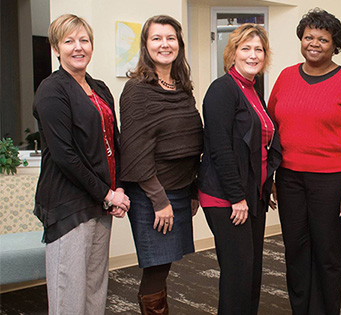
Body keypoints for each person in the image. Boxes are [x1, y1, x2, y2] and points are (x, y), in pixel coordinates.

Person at [268, 8, 341, 315]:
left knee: (327, 255)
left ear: (334, 45)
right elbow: (270, 128)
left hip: (331, 181)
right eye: (308, 37)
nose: (314, 43)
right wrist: (270, 176)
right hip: (289, 179)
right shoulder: (286, 77)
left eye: (322, 39)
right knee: (295, 251)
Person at [33, 14, 129, 315]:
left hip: (100, 203)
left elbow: (114, 141)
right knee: (69, 294)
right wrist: (107, 193)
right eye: (69, 41)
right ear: (56, 48)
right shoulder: (52, 90)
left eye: (84, 40)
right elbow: (65, 156)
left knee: (95, 288)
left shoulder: (99, 87)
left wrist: (118, 188)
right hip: (68, 204)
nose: (78, 47)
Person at [119, 15, 203, 314]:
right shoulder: (137, 90)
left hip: (179, 189)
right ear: (146, 45)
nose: (164, 44)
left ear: (179, 44)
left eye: (170, 38)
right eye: (156, 38)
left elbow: (191, 141)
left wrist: (193, 189)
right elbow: (135, 152)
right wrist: (159, 200)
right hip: (152, 193)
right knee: (155, 267)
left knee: (164, 265)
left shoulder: (182, 88)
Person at [198, 24, 282, 315]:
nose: (253, 54)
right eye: (245, 48)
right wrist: (236, 197)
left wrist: (265, 183)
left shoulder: (253, 90)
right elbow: (220, 149)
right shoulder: (222, 90)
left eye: (258, 49)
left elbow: (258, 147)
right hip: (227, 197)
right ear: (232, 53)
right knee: (237, 274)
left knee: (252, 273)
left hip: (251, 195)